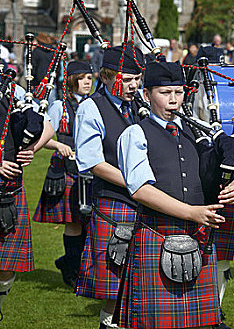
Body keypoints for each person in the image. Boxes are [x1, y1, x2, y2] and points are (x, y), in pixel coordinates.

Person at [113, 59, 234, 329]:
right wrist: (192, 212)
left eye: (178, 92)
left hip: (197, 237)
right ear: (146, 94)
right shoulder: (135, 134)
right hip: (157, 233)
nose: (173, 101)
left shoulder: (197, 128)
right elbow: (141, 190)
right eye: (165, 93)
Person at [74, 45, 146, 329]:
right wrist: (135, 182)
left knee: (142, 280)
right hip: (114, 202)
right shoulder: (91, 108)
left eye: (136, 78)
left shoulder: (139, 104)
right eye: (126, 79)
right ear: (106, 76)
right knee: (114, 284)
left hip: (146, 201)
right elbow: (92, 162)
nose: (133, 85)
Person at [33, 61, 93, 288]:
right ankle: (72, 271)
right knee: (74, 222)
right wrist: (58, 146)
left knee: (88, 223)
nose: (87, 81)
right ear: (71, 80)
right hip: (65, 168)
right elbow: (41, 137)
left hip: (90, 168)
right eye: (82, 77)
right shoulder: (59, 106)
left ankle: (69, 262)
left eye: (90, 77)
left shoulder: (95, 104)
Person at [0, 75, 54, 320]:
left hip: (10, 191)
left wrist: (32, 147)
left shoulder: (12, 89)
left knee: (6, 267)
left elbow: (48, 124)